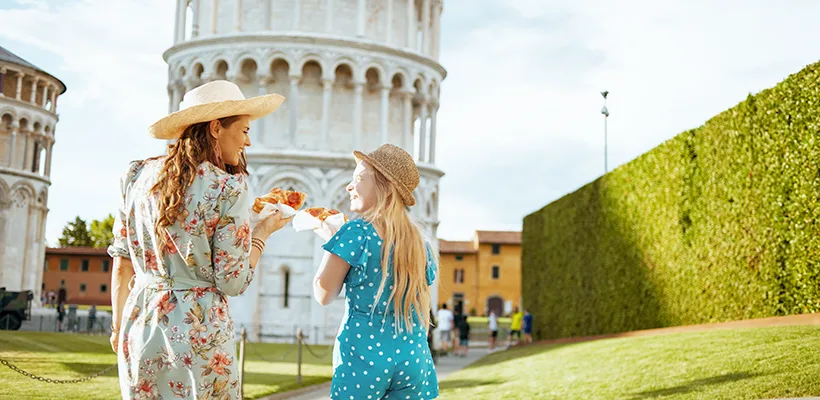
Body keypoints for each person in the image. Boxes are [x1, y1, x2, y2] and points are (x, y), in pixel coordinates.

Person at [107, 80, 288, 399]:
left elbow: (122, 264)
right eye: (244, 130)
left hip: (139, 324)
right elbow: (233, 281)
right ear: (217, 127)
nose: (248, 141)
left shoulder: (135, 177)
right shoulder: (229, 188)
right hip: (200, 332)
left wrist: (118, 325)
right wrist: (261, 233)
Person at [312, 144, 439, 400]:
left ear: (385, 186)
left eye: (359, 178)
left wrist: (333, 243)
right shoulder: (420, 243)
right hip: (413, 356)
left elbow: (323, 294)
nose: (350, 186)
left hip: (364, 358)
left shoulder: (355, 233)